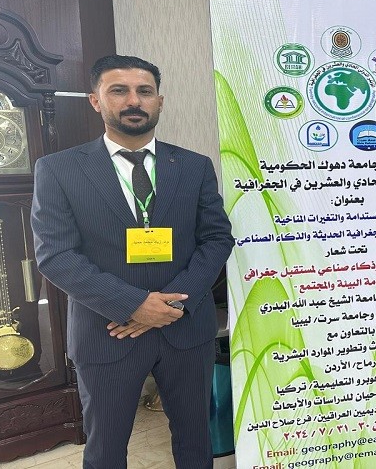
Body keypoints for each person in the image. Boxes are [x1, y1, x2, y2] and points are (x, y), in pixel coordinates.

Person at [31, 54, 234, 469]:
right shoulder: (58, 169)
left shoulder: (194, 166)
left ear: (159, 101)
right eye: (118, 91)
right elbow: (56, 255)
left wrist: (171, 304)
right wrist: (134, 305)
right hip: (107, 332)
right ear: (95, 100)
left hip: (185, 329)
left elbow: (217, 239)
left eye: (144, 91)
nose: (133, 101)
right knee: (105, 448)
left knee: (196, 441)